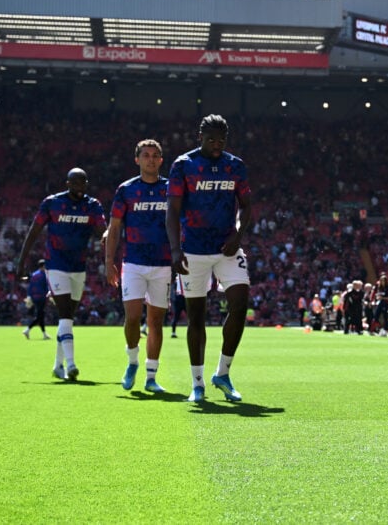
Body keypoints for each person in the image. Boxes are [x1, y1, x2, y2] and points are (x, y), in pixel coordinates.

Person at [166, 115, 253, 402]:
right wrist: (176, 250)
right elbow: (172, 211)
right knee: (196, 318)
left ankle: (223, 373)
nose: (216, 144)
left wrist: (238, 236)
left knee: (240, 303)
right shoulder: (183, 165)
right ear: (199, 136)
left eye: (221, 140)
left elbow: (247, 207)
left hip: (227, 247)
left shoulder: (235, 165)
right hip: (194, 251)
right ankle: (198, 383)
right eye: (211, 139)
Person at [15, 168, 106, 381]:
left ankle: (57, 366)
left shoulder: (93, 206)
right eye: (75, 182)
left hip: (78, 267)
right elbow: (34, 231)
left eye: (83, 182)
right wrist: (21, 261)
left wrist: (109, 235)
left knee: (68, 319)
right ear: (67, 183)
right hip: (55, 265)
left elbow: (103, 231)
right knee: (65, 314)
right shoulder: (52, 203)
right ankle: (71, 365)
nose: (79, 185)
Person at [105, 139, 172, 393]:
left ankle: (151, 376)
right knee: (133, 318)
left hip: (162, 264)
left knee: (155, 322)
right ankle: (132, 361)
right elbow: (115, 228)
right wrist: (108, 262)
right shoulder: (126, 190)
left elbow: (181, 221)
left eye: (155, 155)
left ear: (161, 160)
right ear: (137, 159)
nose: (151, 159)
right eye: (146, 155)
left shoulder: (171, 189)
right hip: (132, 263)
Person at [22, 259, 51, 340]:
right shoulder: (44, 275)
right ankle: (27, 330)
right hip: (41, 297)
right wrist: (49, 294)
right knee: (40, 316)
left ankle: (44, 334)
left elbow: (30, 287)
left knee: (41, 315)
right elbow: (46, 286)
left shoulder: (34, 274)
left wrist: (29, 296)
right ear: (43, 266)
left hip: (34, 297)